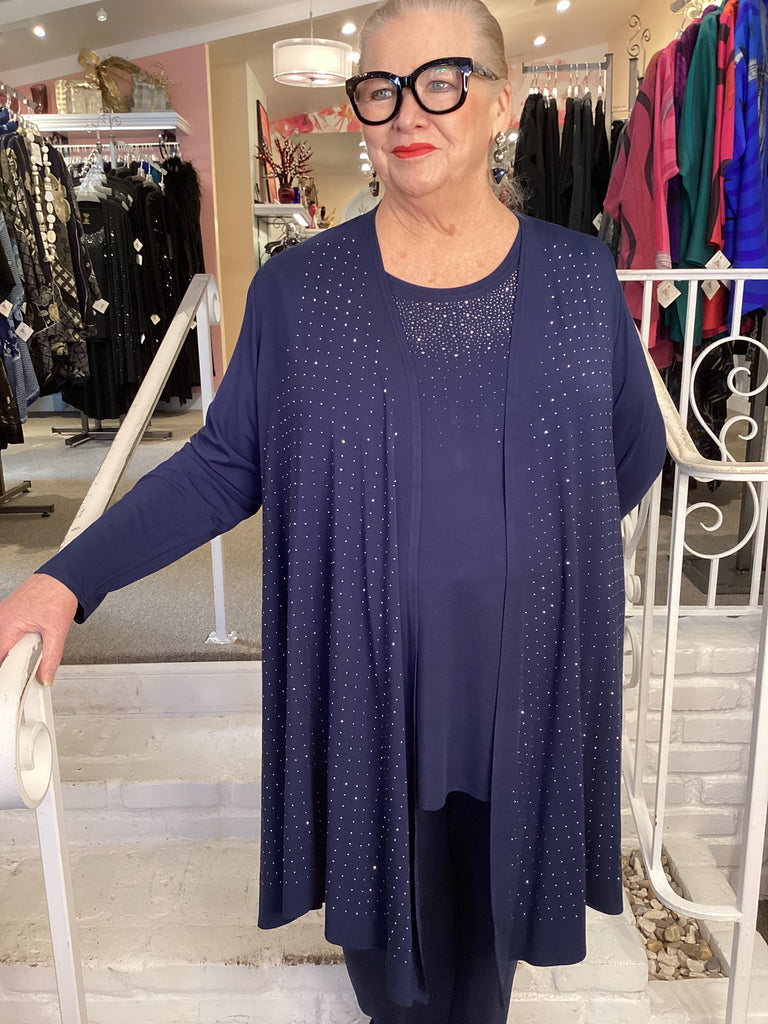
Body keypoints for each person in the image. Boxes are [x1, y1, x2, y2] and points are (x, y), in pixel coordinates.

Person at [0, 0, 666, 1021]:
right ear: (359, 110)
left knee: (488, 974)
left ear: (503, 103)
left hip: (523, 695)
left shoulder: (579, 281)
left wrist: (530, 552)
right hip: (369, 697)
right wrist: (64, 577)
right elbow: (223, 464)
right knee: (389, 981)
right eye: (381, 88)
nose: (410, 111)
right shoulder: (301, 293)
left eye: (442, 81)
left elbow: (627, 452)